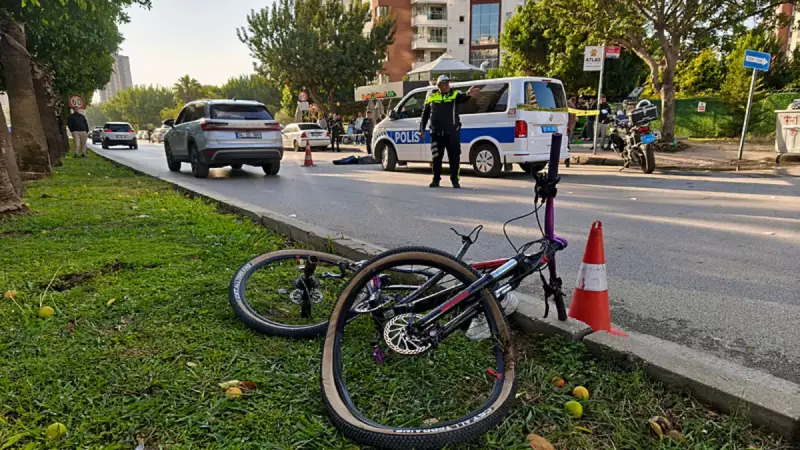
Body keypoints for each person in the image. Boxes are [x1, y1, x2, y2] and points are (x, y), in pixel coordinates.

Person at [419, 74, 480, 188]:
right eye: (444, 83)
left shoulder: (454, 95)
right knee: (436, 158)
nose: (447, 85)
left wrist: (468, 94)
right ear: (439, 85)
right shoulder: (432, 97)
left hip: (452, 133)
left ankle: (455, 180)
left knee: (454, 158)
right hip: (436, 134)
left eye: (448, 83)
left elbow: (463, 97)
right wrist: (421, 129)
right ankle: (436, 180)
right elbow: (425, 115)